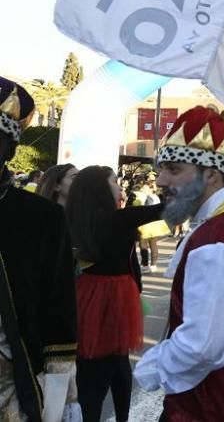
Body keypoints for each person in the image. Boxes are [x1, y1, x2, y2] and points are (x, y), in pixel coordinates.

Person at [134, 106, 224, 421]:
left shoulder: (218, 239)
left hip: (212, 411)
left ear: (210, 174)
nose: (160, 180)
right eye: (162, 169)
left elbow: (201, 347)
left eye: (173, 170)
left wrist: (149, 368)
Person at [0, 77, 79, 421]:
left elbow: (58, 309)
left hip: (13, 387)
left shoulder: (41, 218)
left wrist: (64, 396)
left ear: (8, 148)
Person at [65, 165, 164, 422]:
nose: (119, 186)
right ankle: (120, 416)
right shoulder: (119, 218)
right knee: (116, 366)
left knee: (93, 368)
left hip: (85, 294)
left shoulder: (70, 218)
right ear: (102, 188)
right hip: (117, 296)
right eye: (114, 181)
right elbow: (163, 210)